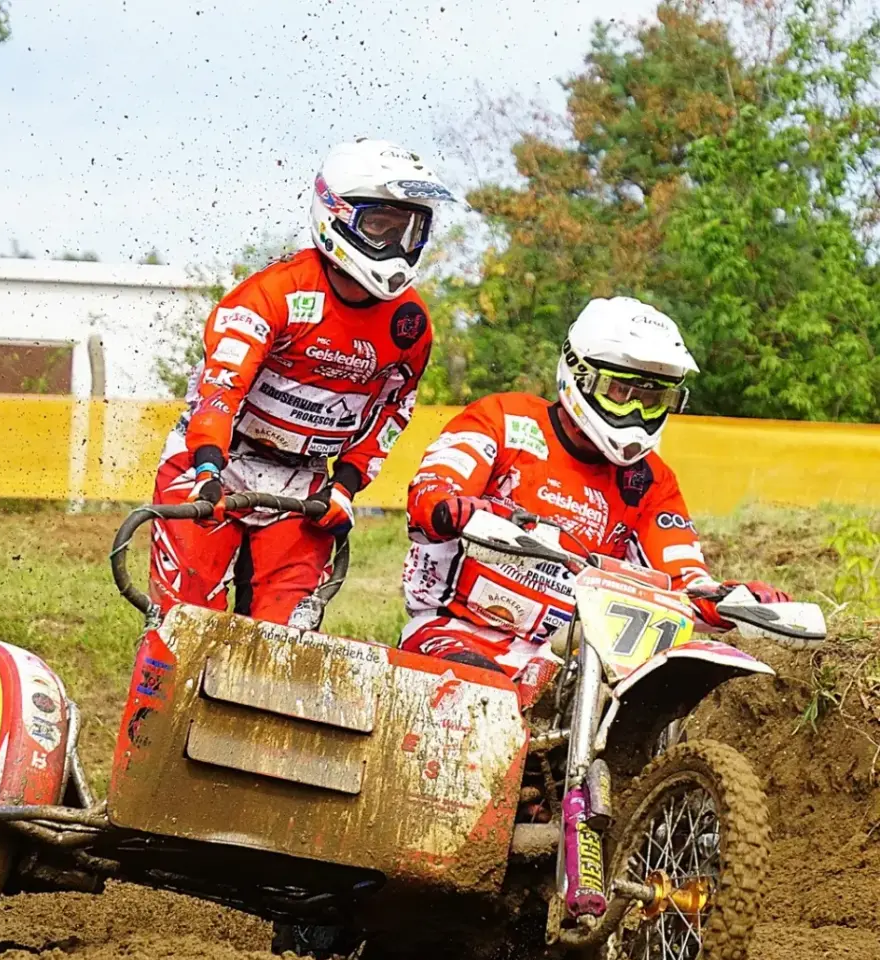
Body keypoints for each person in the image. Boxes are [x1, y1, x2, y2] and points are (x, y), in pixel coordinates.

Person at [399, 296, 790, 681]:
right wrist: (450, 507)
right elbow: (434, 488)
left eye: (653, 400)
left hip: (560, 658)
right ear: (581, 375)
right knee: (482, 691)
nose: (636, 412)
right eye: (622, 393)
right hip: (453, 632)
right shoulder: (505, 420)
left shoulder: (650, 482)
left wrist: (736, 600)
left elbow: (684, 582)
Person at [150, 138, 461, 623]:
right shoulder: (273, 294)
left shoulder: (410, 325)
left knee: (287, 639)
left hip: (306, 481)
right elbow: (221, 387)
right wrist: (207, 466)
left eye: (408, 230)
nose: (395, 246)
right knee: (183, 623)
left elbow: (394, 411)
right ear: (336, 213)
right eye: (380, 226)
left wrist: (346, 485)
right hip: (215, 463)